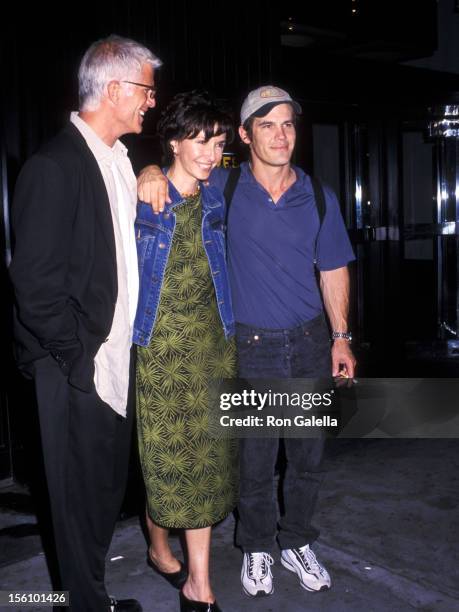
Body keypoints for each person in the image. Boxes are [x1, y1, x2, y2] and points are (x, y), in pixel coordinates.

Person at [137, 85, 356, 600]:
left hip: (308, 342)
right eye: (266, 125)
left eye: (287, 124)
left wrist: (342, 337)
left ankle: (297, 541)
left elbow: (334, 268)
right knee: (254, 462)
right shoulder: (224, 190)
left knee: (307, 460)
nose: (280, 136)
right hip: (251, 346)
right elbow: (178, 177)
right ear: (244, 134)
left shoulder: (320, 195)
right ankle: (256, 546)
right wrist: (146, 170)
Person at [9, 35, 161, 612]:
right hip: (77, 365)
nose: (151, 100)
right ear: (117, 88)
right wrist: (79, 360)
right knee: (75, 502)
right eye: (146, 88)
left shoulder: (117, 160)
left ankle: (87, 594)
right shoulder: (54, 166)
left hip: (114, 359)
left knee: (101, 494)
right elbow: (35, 285)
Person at [133, 91, 238, 612]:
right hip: (160, 352)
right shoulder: (142, 198)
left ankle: (200, 585)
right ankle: (157, 546)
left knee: (208, 466)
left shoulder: (216, 195)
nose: (208, 152)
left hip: (214, 347)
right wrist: (145, 168)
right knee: (167, 467)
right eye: (198, 140)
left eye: (216, 142)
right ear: (174, 140)